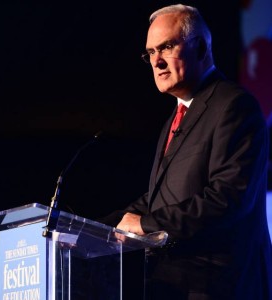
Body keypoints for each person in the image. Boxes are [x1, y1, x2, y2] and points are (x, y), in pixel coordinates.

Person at [99, 3, 272, 300]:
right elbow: (160, 199)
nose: (157, 62)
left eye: (166, 47)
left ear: (202, 48)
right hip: (174, 286)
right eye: (150, 53)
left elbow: (227, 199)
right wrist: (95, 229)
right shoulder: (174, 119)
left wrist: (144, 224)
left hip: (221, 285)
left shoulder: (234, 106)